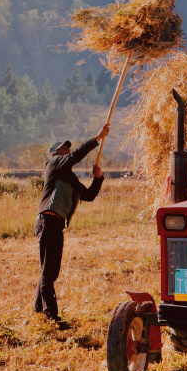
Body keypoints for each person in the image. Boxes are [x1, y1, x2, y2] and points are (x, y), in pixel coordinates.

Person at [34, 125, 110, 326]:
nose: (67, 151)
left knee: (50, 271)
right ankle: (51, 317)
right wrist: (98, 138)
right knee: (49, 271)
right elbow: (76, 155)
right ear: (54, 154)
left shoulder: (69, 177)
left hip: (56, 225)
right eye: (63, 149)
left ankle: (38, 310)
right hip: (47, 221)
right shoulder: (54, 165)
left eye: (67, 149)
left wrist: (98, 178)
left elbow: (88, 195)